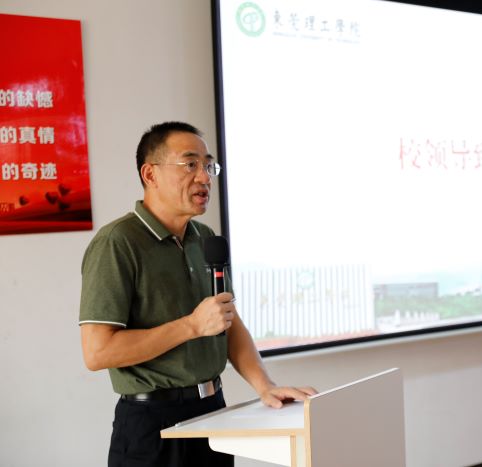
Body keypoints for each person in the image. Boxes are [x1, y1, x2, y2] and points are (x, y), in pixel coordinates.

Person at [79, 121, 316, 467]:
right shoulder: (117, 243)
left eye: (208, 166)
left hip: (212, 412)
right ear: (150, 174)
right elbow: (98, 352)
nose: (204, 177)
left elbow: (228, 322)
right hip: (152, 425)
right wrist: (190, 326)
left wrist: (265, 386)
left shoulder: (205, 238)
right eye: (190, 164)